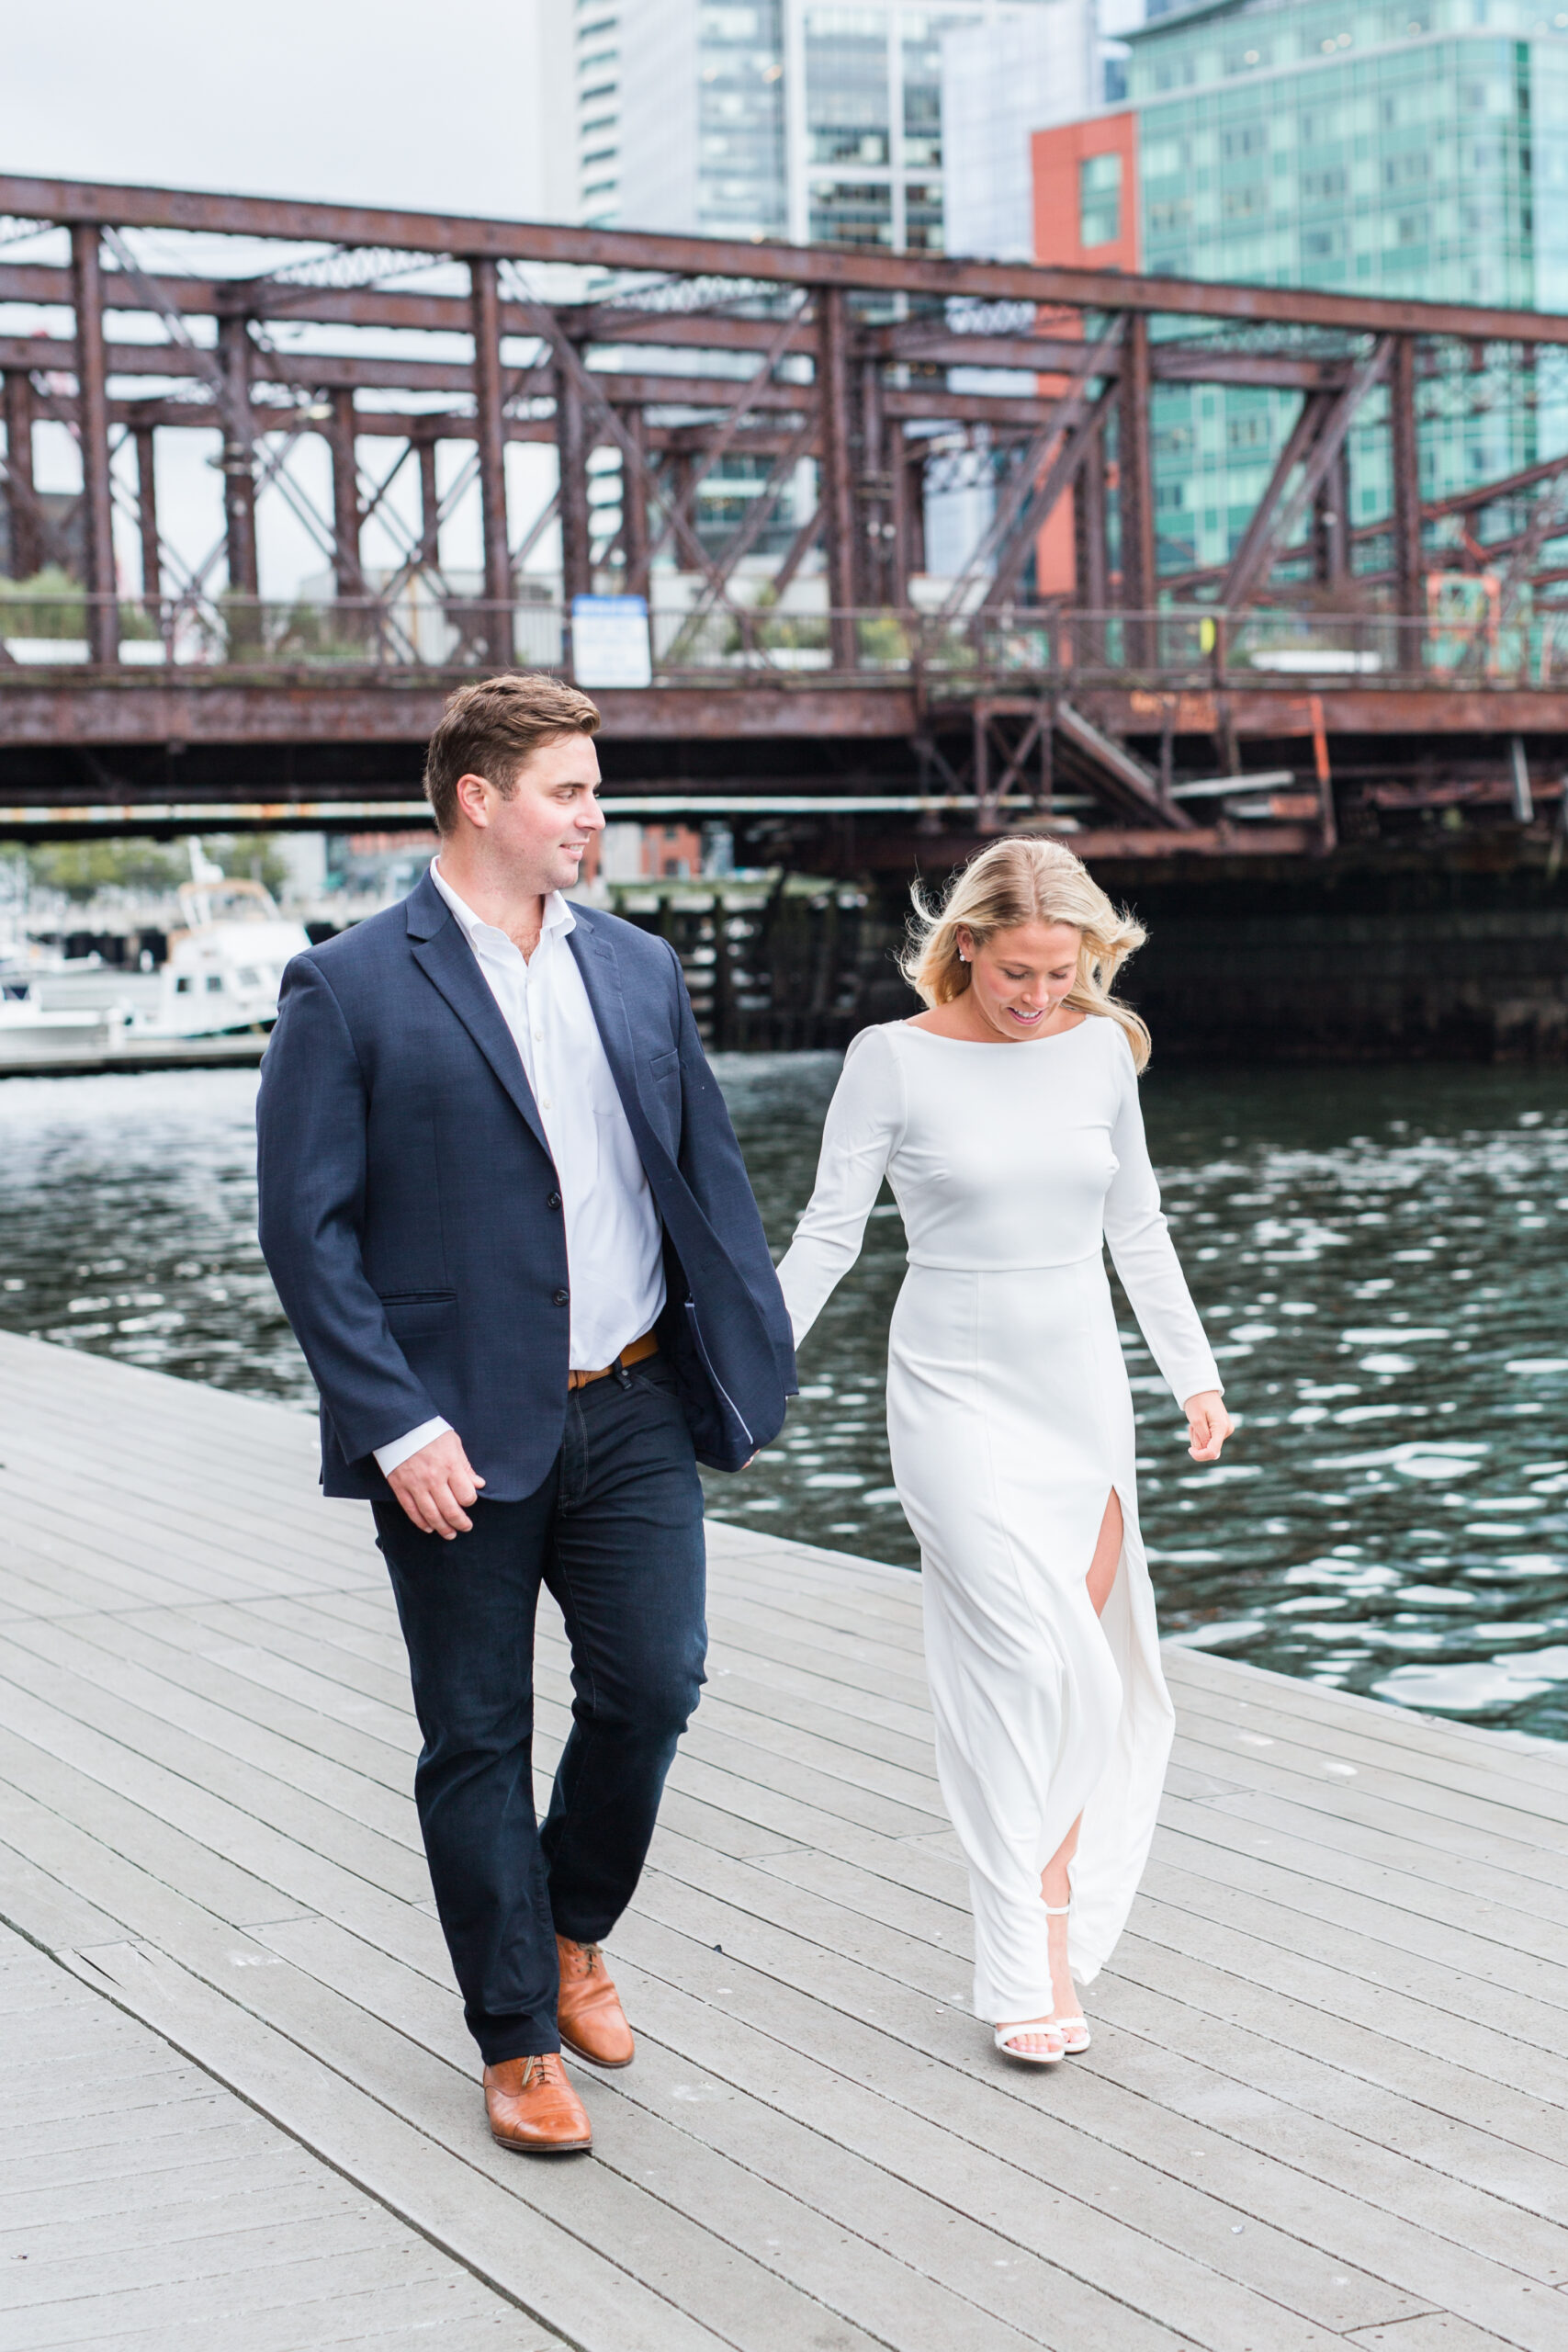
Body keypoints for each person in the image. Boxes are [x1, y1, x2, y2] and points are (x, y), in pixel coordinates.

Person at [256, 673, 795, 2154]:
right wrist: (394, 1425)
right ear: (479, 800)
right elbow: (309, 1232)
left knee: (657, 1685)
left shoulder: (635, 968)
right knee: (475, 1734)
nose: (596, 816)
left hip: (627, 1400)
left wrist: (741, 1353)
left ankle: (570, 1927)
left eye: (596, 790)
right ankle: (513, 2039)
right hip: (449, 1436)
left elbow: (705, 1178)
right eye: (571, 790)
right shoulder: (349, 984)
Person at [775, 837, 1230, 2066]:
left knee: (1082, 1666)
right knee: (1026, 1663)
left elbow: (1136, 1224)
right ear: (965, 943)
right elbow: (827, 1236)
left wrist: (1192, 1371)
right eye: (1017, 971)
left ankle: (1049, 1931)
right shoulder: (893, 1061)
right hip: (951, 1388)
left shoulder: (1097, 1051)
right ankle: (1018, 1945)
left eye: (1062, 973)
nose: (1037, 999)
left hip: (1079, 1392)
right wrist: (745, 1366)